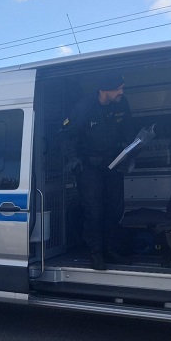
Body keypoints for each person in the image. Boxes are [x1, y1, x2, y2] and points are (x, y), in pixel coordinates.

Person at [61, 73, 132, 270]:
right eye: (118, 88)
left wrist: (131, 154)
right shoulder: (84, 106)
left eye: (122, 88)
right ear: (104, 90)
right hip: (89, 166)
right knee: (94, 211)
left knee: (115, 208)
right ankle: (95, 253)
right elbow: (65, 134)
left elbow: (129, 130)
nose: (121, 92)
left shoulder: (122, 103)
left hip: (114, 163)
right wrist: (72, 158)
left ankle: (110, 249)